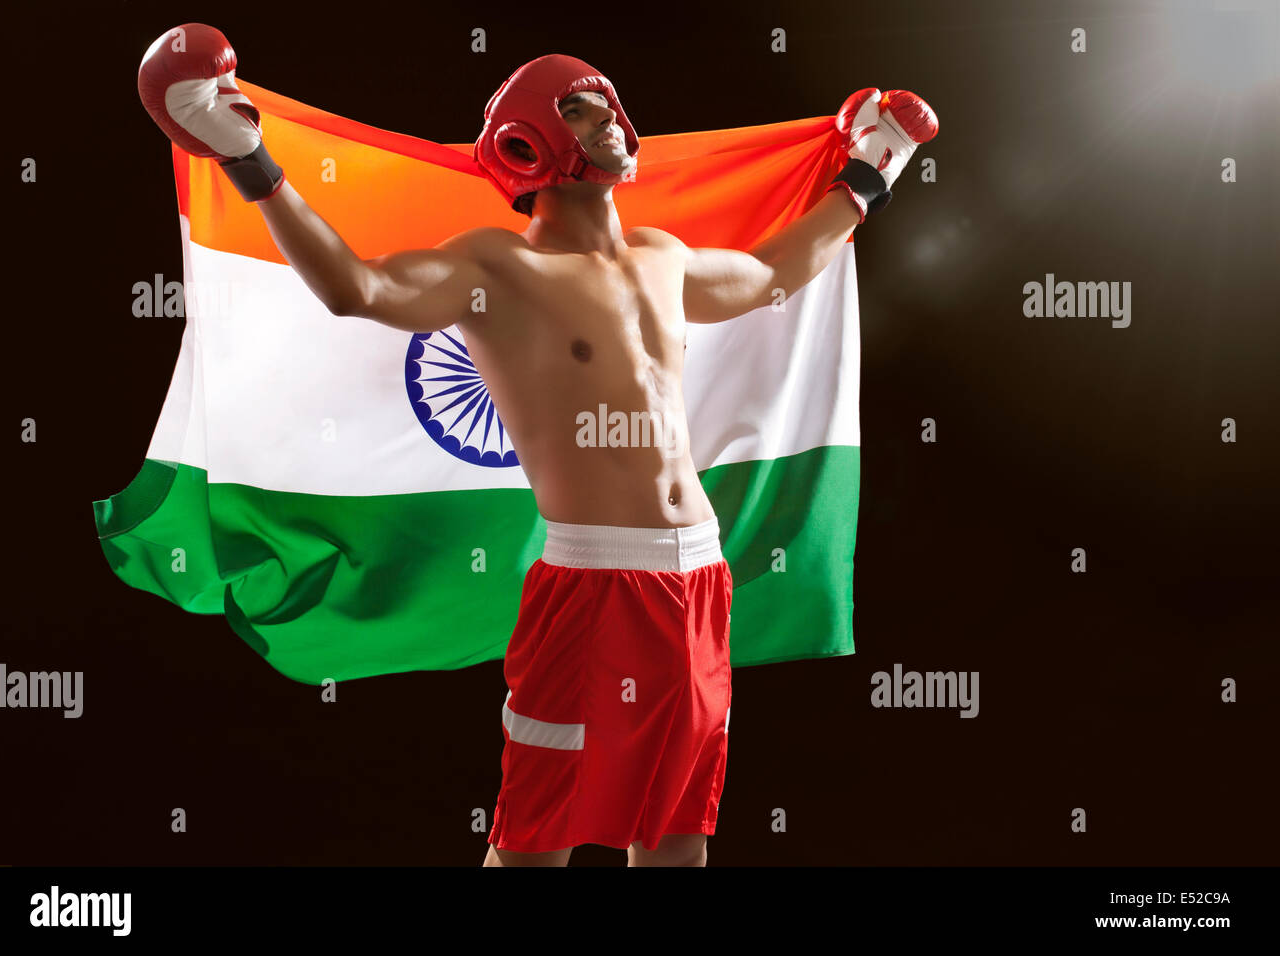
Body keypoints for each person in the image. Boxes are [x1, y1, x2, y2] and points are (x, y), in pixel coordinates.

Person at [138, 26, 938, 867]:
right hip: (592, 587)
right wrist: (248, 159)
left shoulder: (662, 258)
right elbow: (356, 289)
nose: (617, 131)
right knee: (533, 847)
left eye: (613, 113)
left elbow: (773, 274)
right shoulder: (495, 271)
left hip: (701, 577)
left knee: (676, 841)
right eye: (589, 116)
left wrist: (866, 176)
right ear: (533, 143)